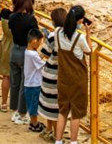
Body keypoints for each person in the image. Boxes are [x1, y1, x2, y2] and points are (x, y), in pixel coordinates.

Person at [54, 5, 93, 144]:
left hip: (63, 78)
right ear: (80, 20)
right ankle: (73, 141)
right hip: (78, 80)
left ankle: (58, 141)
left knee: (63, 110)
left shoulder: (57, 32)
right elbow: (89, 51)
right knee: (76, 113)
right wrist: (88, 33)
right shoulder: (80, 38)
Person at [8, 0, 38, 124]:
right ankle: (22, 113)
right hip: (26, 52)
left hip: (15, 50)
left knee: (14, 83)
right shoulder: (31, 19)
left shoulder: (12, 17)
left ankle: (14, 110)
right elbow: (35, 35)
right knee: (24, 84)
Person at [38, 8, 67, 140]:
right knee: (58, 106)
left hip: (50, 74)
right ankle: (56, 134)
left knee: (49, 104)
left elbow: (43, 54)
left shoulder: (52, 36)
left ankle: (52, 132)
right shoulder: (71, 35)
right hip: (64, 75)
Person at [0, 0, 18, 112]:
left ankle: (4, 103)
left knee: (6, 76)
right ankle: (16, 106)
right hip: (17, 46)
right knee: (18, 79)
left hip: (6, 46)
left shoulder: (5, 14)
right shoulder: (21, 17)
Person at [24, 28, 46, 133]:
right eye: (40, 43)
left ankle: (33, 122)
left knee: (31, 103)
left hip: (29, 83)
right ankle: (34, 124)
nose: (40, 45)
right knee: (34, 105)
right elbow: (42, 65)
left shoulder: (28, 52)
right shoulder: (33, 54)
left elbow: (37, 59)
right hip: (34, 83)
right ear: (34, 41)